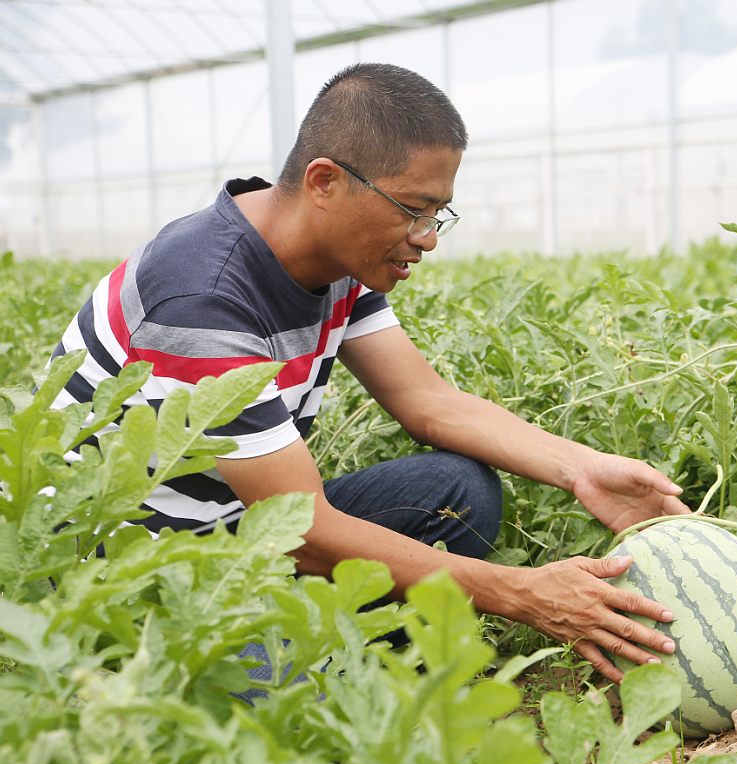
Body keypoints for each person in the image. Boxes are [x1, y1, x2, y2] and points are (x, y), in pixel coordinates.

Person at [48, 62, 690, 685]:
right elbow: (303, 532)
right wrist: (522, 593)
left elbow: (429, 402)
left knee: (458, 491)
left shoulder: (331, 263)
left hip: (238, 540)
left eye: (438, 213)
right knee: (276, 689)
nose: (428, 237)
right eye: (413, 209)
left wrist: (581, 468)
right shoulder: (202, 301)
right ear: (325, 182)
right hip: (133, 582)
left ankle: (326, 653)